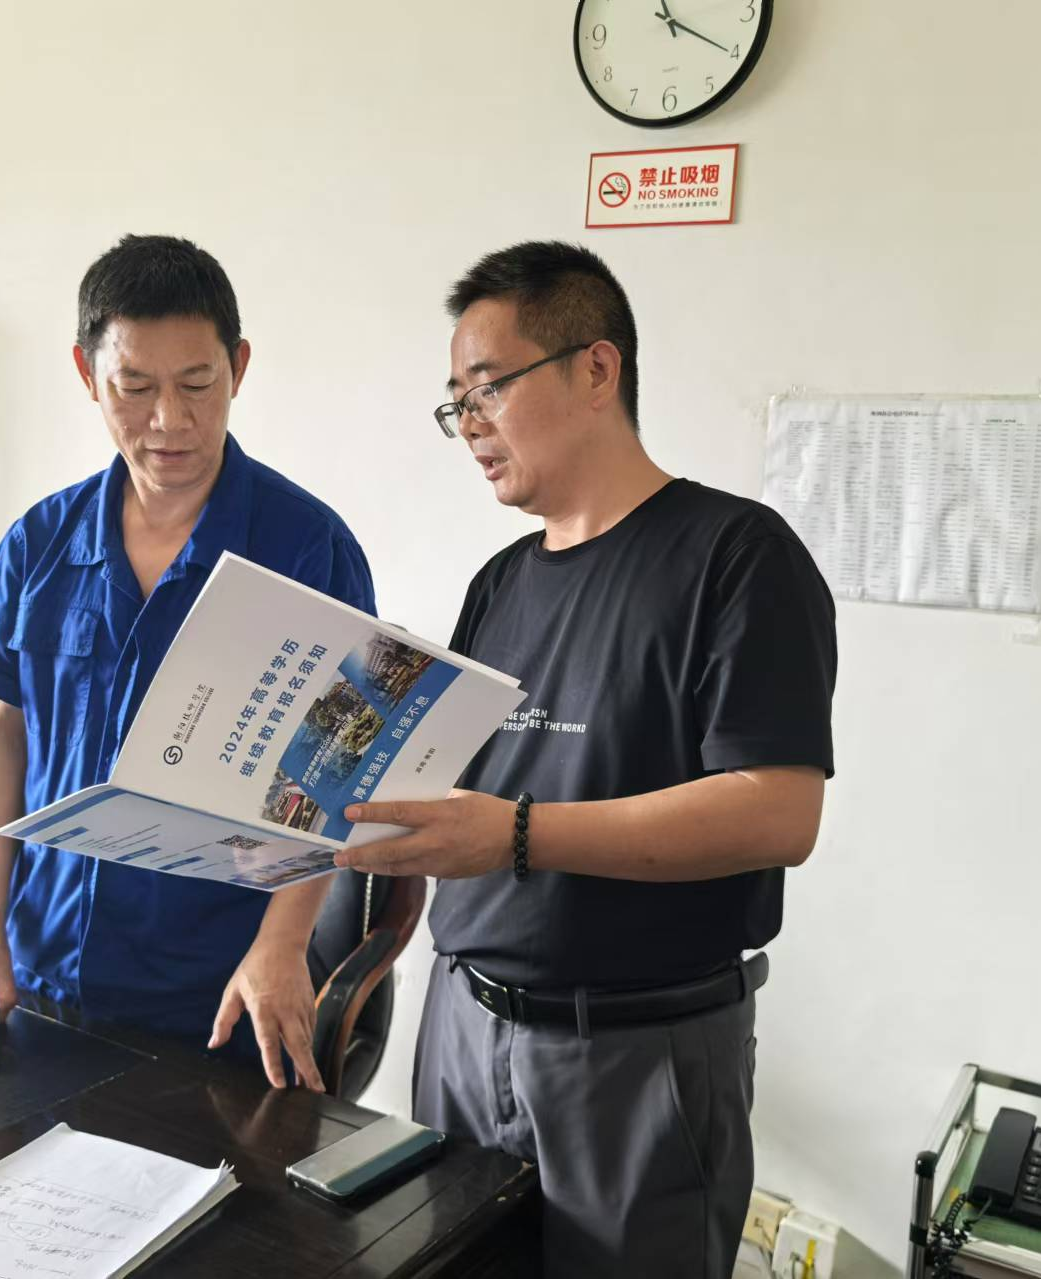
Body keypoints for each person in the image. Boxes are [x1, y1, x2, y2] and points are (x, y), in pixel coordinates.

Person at [336, 241, 836, 1275]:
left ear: (596, 368)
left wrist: (516, 834)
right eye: (455, 405)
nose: (470, 426)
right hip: (462, 1026)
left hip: (637, 1051)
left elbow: (777, 812)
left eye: (488, 389)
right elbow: (459, 792)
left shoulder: (736, 556)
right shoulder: (499, 582)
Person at [0, 235, 375, 1090]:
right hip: (42, 972)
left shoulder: (307, 548)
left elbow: (336, 768)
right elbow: (6, 728)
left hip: (218, 996)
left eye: (197, 384)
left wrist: (282, 945)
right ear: (88, 375)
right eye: (135, 387)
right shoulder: (41, 542)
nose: (169, 421)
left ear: (238, 367)